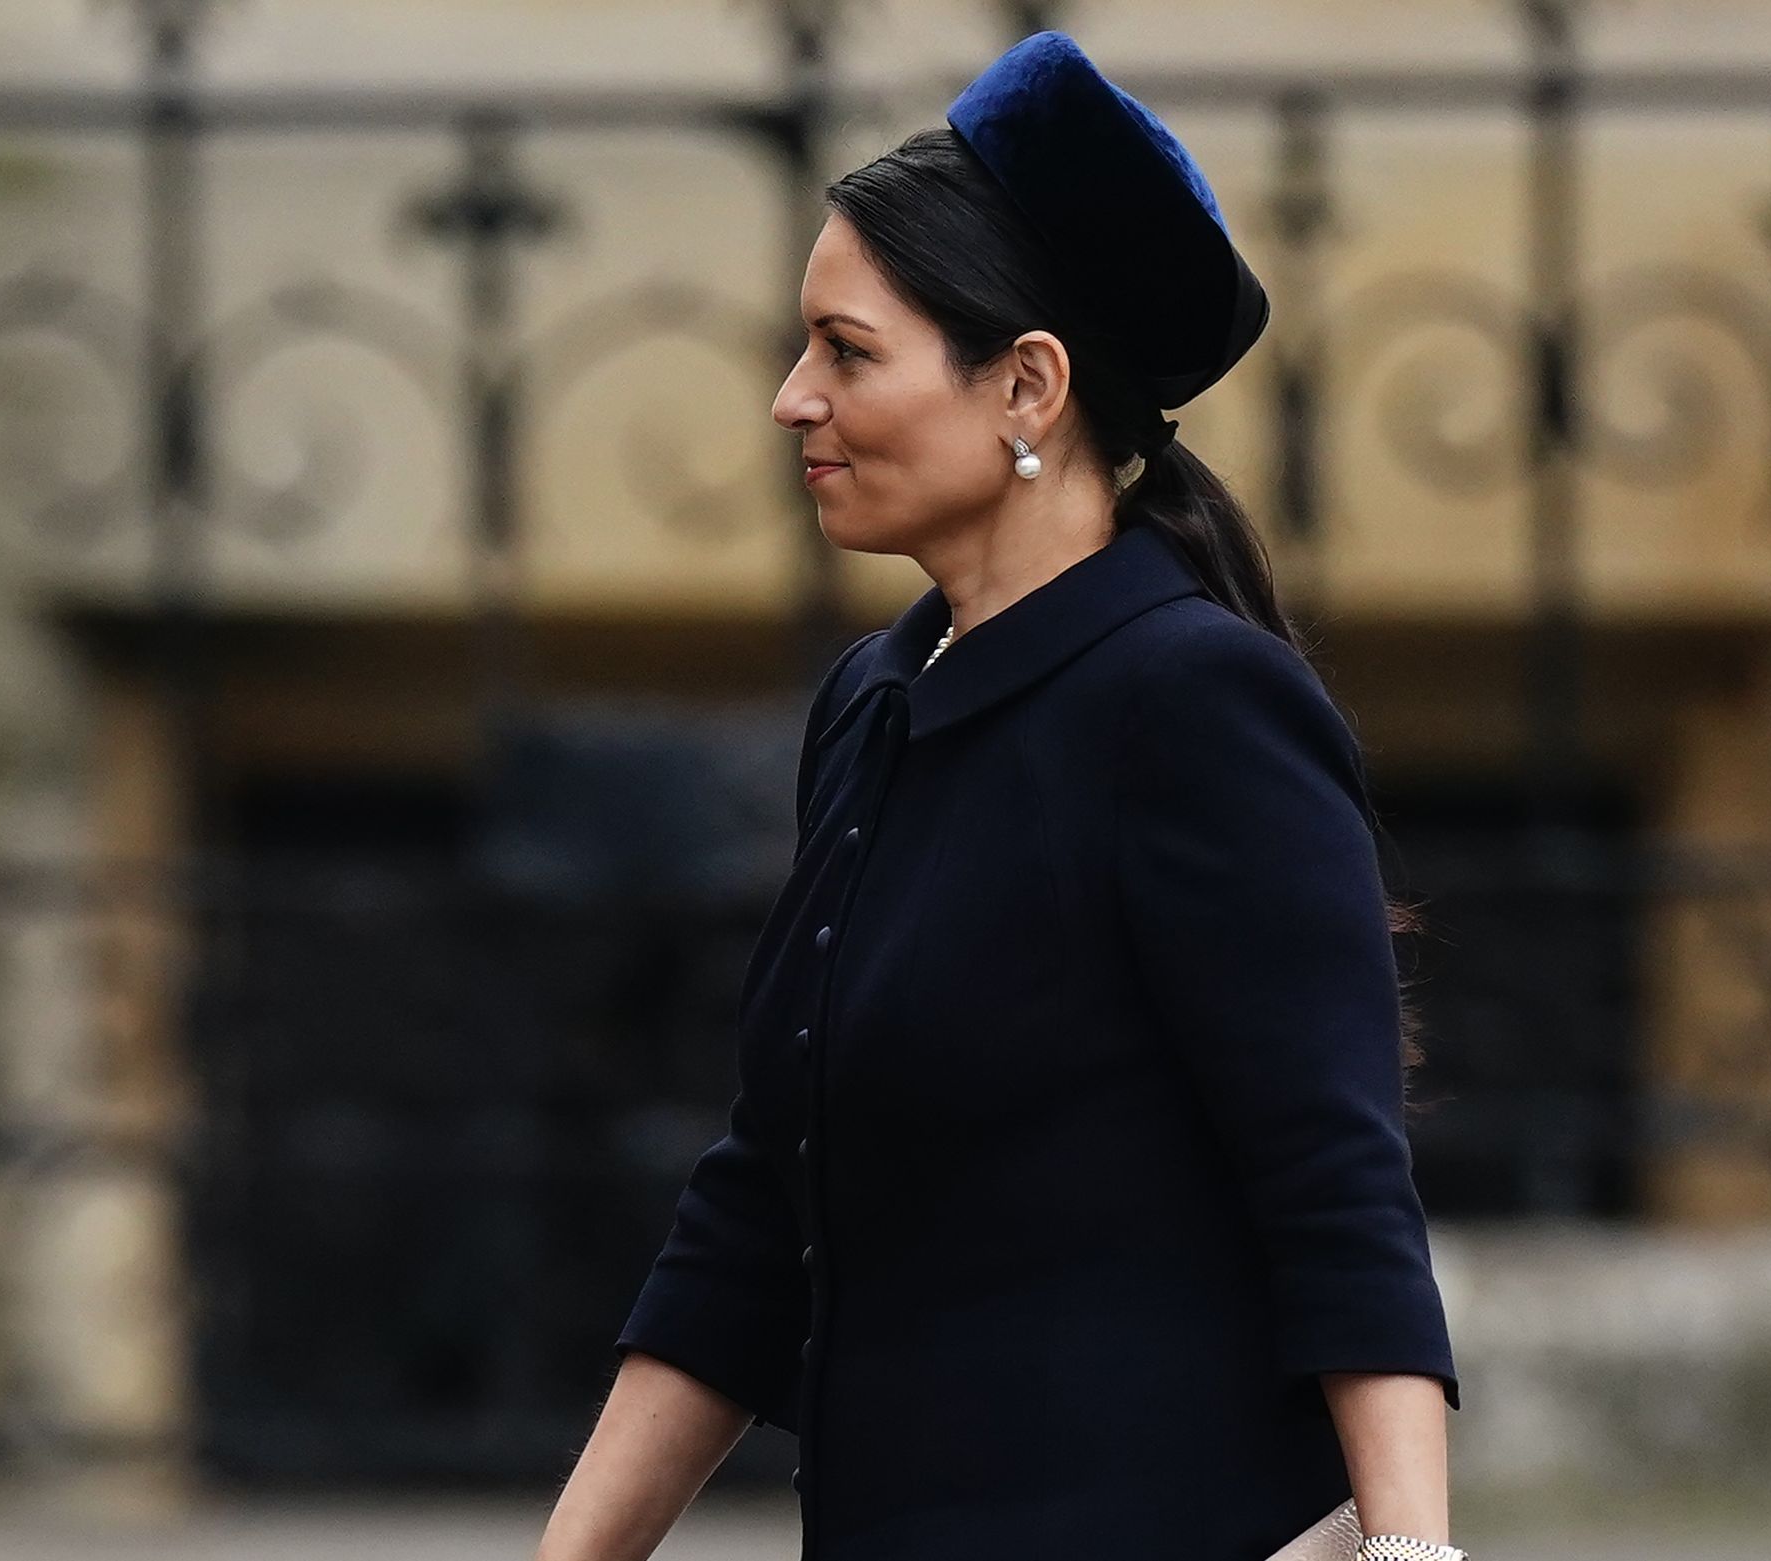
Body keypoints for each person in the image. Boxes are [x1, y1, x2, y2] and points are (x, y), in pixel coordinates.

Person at [536, 31, 1462, 1561]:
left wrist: (1411, 1549)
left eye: (847, 351)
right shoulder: (871, 705)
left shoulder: (1192, 702)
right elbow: (761, 1206)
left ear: (1029, 383)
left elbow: (1336, 1177)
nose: (790, 400)